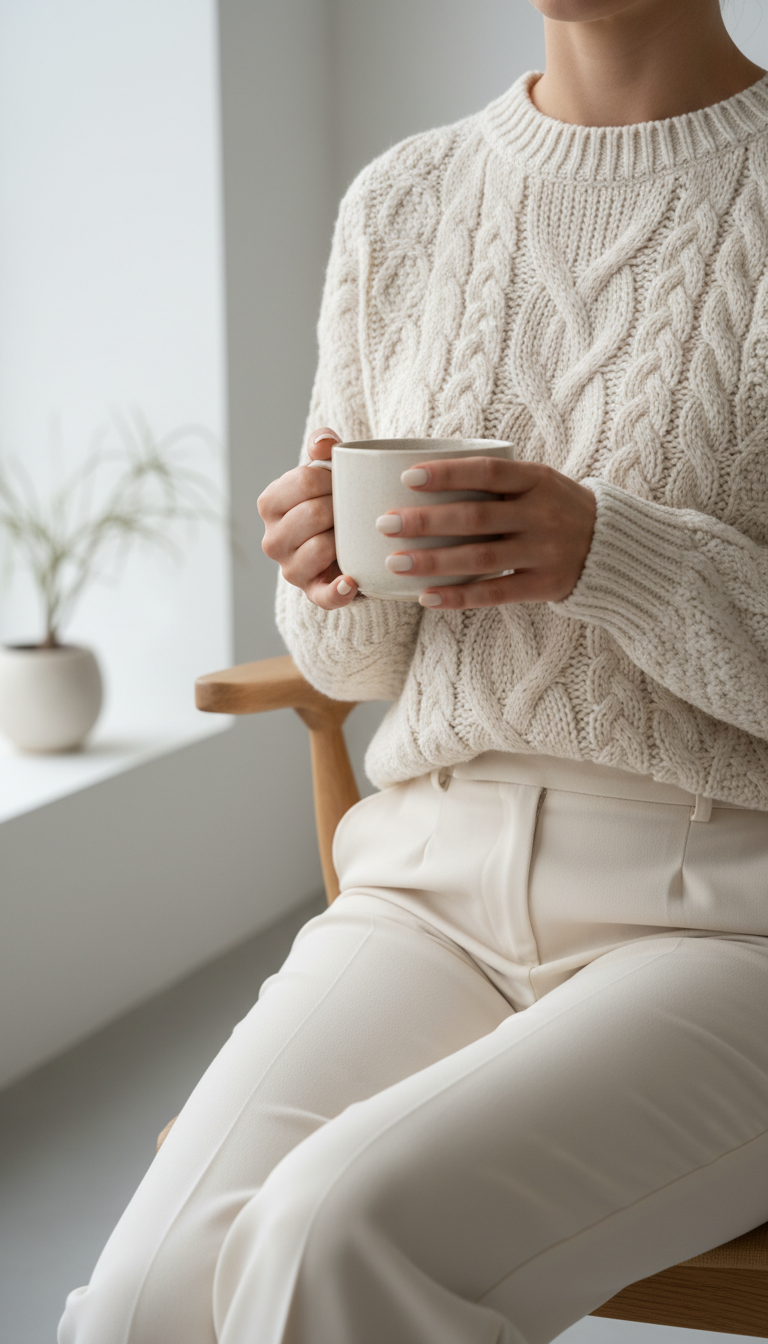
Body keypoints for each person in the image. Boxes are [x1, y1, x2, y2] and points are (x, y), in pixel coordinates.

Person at [59, 1, 768, 1341]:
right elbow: (358, 657)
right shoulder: (405, 199)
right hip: (426, 888)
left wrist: (614, 553)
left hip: (732, 916)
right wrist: (320, 569)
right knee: (143, 1306)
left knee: (334, 1233)